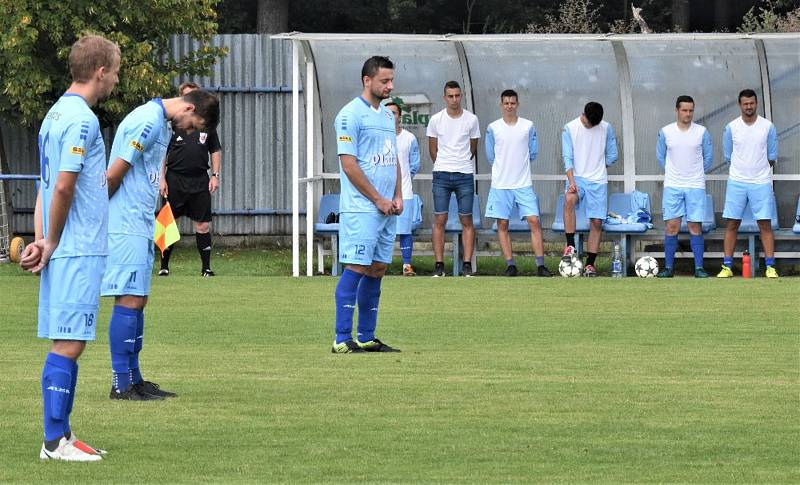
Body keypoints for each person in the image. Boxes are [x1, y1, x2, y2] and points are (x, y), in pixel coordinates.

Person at [19, 35, 120, 461]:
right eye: (115, 70)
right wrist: (54, 240)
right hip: (76, 247)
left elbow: (43, 188)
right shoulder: (81, 120)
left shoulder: (53, 115)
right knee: (70, 342)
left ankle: (59, 436)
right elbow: (62, 184)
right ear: (101, 72)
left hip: (63, 244)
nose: (116, 78)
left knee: (67, 339)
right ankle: (55, 442)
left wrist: (41, 239)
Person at [102, 89, 220, 398]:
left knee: (139, 300)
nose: (189, 131)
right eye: (193, 125)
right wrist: (95, 214)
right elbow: (114, 174)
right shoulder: (147, 121)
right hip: (126, 222)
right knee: (128, 298)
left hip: (141, 222)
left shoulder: (158, 122)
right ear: (189, 108)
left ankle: (134, 379)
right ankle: (120, 383)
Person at [331, 56, 402, 353]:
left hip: (388, 208)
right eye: (385, 81)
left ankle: (366, 336)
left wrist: (398, 196)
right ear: (367, 80)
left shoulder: (387, 116)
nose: (390, 86)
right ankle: (341, 338)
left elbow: (393, 159)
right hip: (363, 208)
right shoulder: (349, 115)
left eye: (391, 80)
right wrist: (378, 199)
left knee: (378, 269)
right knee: (357, 266)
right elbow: (349, 165)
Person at [485, 90, 552, 277]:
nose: (509, 106)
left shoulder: (528, 126)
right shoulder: (493, 128)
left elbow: (533, 152)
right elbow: (491, 156)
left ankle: (540, 265)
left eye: (512, 103)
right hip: (500, 185)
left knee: (534, 221)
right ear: (501, 105)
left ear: (517, 104)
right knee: (503, 224)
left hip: (523, 184)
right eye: (506, 103)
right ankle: (510, 265)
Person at [158, 82, 222, 277]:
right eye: (186, 96)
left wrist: (215, 175)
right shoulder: (174, 124)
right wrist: (162, 179)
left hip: (199, 180)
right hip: (175, 180)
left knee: (202, 225)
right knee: (168, 223)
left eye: (194, 95)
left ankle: (206, 268)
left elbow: (215, 150)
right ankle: (163, 266)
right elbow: (162, 153)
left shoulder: (206, 126)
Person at [717, 89, 779, 278]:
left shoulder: (768, 127)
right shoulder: (731, 127)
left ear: (756, 103)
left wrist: (758, 171)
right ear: (740, 105)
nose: (749, 107)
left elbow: (772, 157)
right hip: (737, 182)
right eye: (745, 103)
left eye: (752, 103)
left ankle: (770, 267)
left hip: (761, 182)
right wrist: (743, 171)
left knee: (765, 224)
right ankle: (727, 266)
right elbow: (728, 157)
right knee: (732, 224)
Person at [427, 81, 480, 277]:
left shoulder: (471, 119)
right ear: (444, 97)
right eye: (450, 96)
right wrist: (444, 164)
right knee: (440, 218)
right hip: (441, 174)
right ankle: (439, 265)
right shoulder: (436, 119)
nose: (454, 99)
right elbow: (433, 148)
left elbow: (473, 147)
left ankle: (466, 264)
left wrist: (461, 163)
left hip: (464, 174)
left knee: (466, 218)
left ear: (461, 96)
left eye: (457, 95)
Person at [656, 95, 713, 278]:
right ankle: (669, 268)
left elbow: (708, 158)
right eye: (684, 110)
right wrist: (675, 173)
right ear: (677, 110)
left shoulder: (702, 132)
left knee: (695, 226)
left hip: (695, 185)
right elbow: (661, 157)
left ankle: (698, 268)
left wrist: (694, 174)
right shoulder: (666, 131)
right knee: (672, 226)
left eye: (691, 110)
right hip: (673, 185)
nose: (688, 114)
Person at [561, 101, 618, 277]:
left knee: (596, 222)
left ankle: (590, 264)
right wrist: (571, 182)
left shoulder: (607, 128)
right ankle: (570, 246)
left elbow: (613, 155)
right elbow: (567, 157)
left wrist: (599, 167)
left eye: (595, 124)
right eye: (589, 123)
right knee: (569, 199)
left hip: (598, 181)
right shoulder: (569, 128)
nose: (592, 126)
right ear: (583, 114)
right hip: (576, 177)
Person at [386, 101, 420, 276]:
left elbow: (414, 164)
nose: (391, 116)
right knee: (381, 231)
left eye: (394, 113)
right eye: (388, 113)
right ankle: (379, 265)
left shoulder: (409, 138)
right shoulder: (379, 136)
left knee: (405, 231)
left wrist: (403, 181)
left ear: (400, 116)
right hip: (382, 193)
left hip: (404, 193)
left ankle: (406, 265)